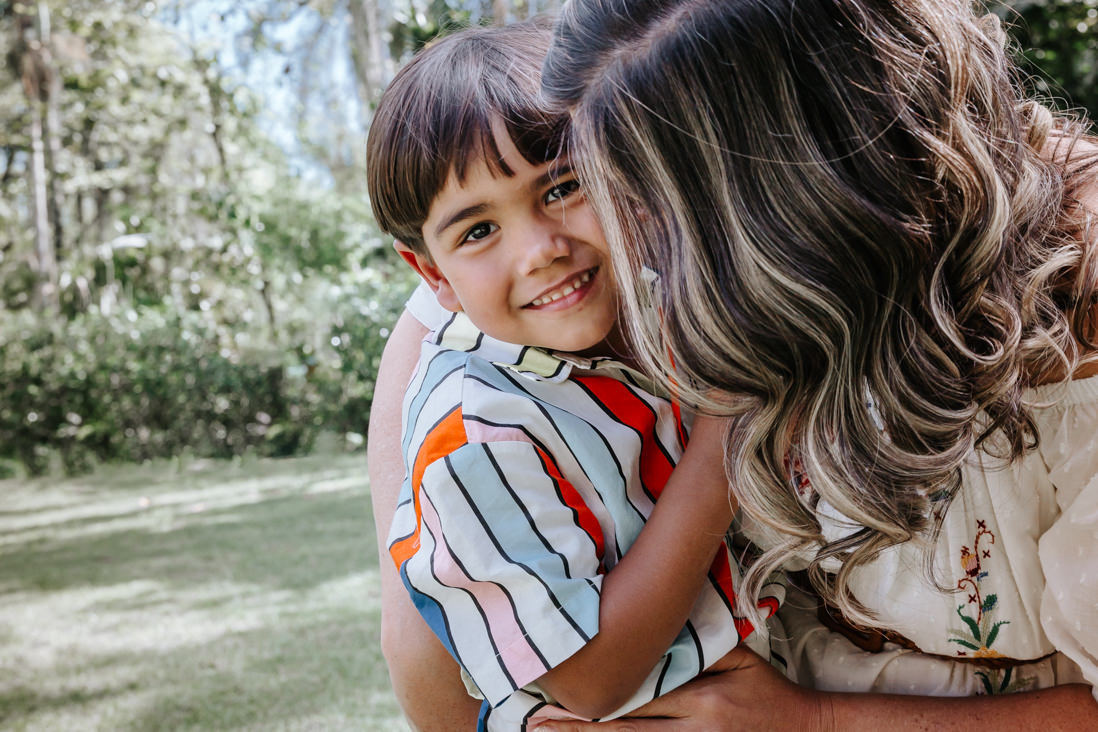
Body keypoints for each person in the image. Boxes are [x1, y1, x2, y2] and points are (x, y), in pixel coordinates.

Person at [370, 0, 1098, 729]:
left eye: (574, 187)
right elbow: (441, 680)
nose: (547, 250)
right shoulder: (508, 354)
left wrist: (810, 722)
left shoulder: (1065, 323)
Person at [365, 21, 783, 730]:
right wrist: (728, 434)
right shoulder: (474, 437)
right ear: (433, 276)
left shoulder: (666, 306)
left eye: (561, 187)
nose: (540, 250)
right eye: (478, 231)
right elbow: (590, 680)